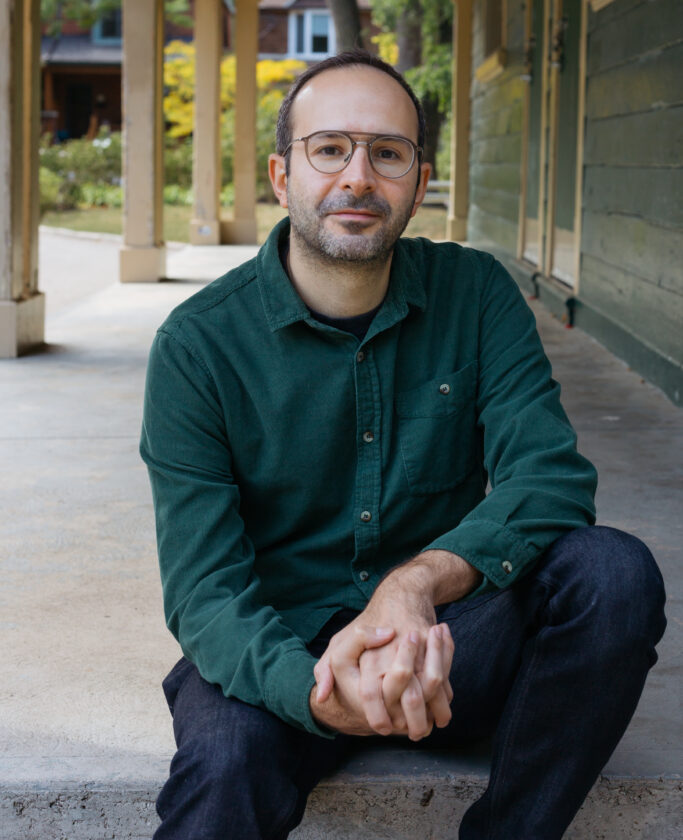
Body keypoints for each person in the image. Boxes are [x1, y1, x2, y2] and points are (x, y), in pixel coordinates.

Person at [140, 50, 666, 840]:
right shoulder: (198, 345)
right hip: (281, 650)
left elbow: (549, 478)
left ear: (418, 184)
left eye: (387, 153)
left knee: (611, 572)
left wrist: (414, 584)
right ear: (283, 176)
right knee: (223, 771)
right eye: (329, 149)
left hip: (449, 644)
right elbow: (204, 592)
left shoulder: (476, 293)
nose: (357, 177)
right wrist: (318, 690)